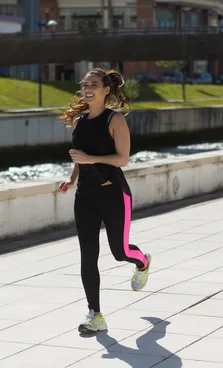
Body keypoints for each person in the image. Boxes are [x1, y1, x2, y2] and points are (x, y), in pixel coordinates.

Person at [58, 67, 151, 334]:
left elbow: (122, 159)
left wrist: (90, 160)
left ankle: (142, 262)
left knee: (120, 252)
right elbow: (80, 156)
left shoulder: (115, 120)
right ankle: (95, 315)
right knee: (88, 256)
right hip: (85, 195)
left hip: (113, 193)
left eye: (94, 85)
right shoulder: (80, 121)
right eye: (84, 85)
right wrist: (72, 178)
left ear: (106, 89)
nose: (87, 89)